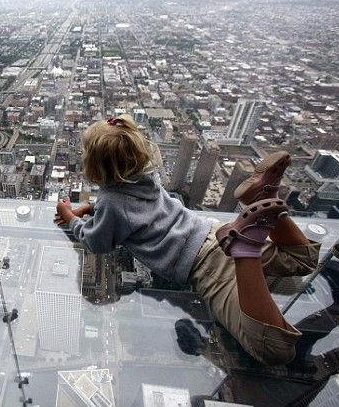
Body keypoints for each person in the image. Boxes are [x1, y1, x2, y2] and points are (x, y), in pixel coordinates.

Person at [54, 115, 321, 366]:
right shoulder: (147, 177)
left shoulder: (112, 203)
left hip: (207, 267)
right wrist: (94, 209)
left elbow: (97, 241)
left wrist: (71, 218)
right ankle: (261, 195)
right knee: (303, 260)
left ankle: (246, 250)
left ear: (95, 166)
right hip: (213, 231)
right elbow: (128, 210)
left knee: (274, 350)